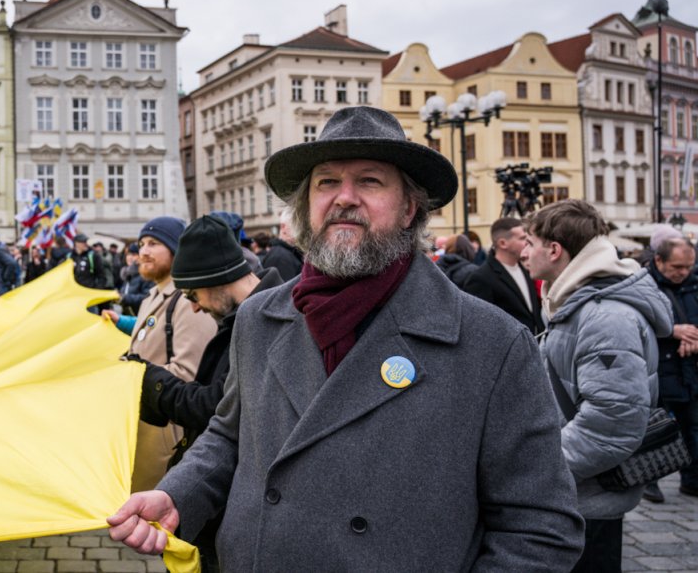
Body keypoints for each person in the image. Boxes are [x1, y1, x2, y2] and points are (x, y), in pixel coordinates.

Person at [109, 106, 583, 569]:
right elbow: (231, 435)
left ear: (408, 209)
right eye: (327, 181)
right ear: (306, 205)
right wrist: (178, 493)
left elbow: (540, 528)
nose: (344, 197)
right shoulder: (259, 318)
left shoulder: (492, 344)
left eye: (370, 181)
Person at [128, 216, 284, 571]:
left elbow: (217, 412)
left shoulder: (268, 323)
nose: (194, 307)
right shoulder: (246, 318)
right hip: (216, 500)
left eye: (193, 295)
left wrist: (146, 376)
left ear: (215, 279)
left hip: (240, 507)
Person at [524, 198, 671, 572]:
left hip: (585, 498)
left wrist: (537, 470)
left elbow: (612, 423)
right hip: (576, 493)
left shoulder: (604, 316)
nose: (524, 251)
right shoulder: (575, 302)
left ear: (554, 250)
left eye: (530, 241)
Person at [123, 216, 219, 492]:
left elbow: (190, 374)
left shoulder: (187, 299)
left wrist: (131, 376)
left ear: (176, 250)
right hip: (144, 424)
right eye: (141, 244)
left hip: (167, 433)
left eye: (154, 243)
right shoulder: (152, 296)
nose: (143, 251)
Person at [647, 237, 698, 501]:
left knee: (693, 426)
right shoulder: (645, 285)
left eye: (688, 267)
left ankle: (692, 480)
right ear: (659, 260)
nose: (683, 272)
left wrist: (695, 338)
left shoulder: (694, 283)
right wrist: (673, 332)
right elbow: (639, 325)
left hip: (688, 368)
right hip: (658, 367)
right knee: (656, 428)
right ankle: (649, 481)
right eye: (677, 266)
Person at [462, 217, 543, 334]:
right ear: (503, 243)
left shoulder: (526, 269)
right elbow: (479, 325)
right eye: (522, 238)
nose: (527, 242)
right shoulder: (480, 278)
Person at [260, 207, 304, 281]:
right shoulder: (280, 257)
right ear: (283, 227)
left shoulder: (289, 253)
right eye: (297, 224)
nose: (302, 229)